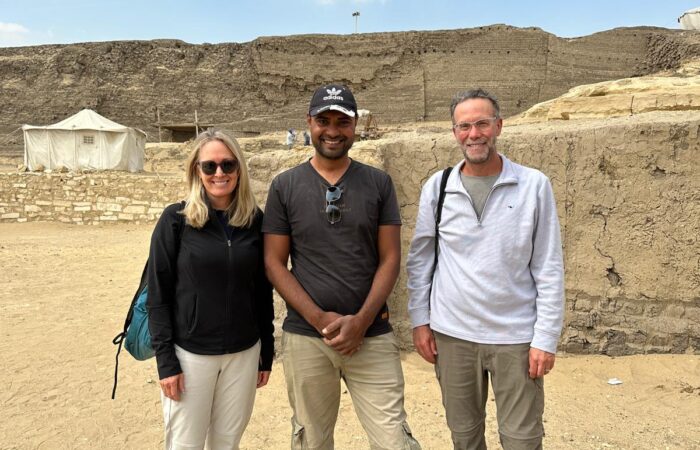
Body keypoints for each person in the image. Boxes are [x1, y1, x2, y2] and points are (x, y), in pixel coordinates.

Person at [263, 84, 420, 450]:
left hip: (372, 335)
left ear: (354, 126)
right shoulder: (285, 186)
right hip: (306, 337)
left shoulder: (378, 183)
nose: (332, 130)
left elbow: (390, 258)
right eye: (323, 120)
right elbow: (274, 262)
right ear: (309, 123)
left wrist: (362, 321)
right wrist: (320, 319)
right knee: (312, 440)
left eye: (341, 121)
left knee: (394, 440)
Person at [406, 88, 564, 450]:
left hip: (516, 338)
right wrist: (420, 321)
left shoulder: (533, 186)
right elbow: (421, 260)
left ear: (499, 126)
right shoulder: (438, 187)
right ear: (454, 133)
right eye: (464, 126)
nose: (473, 134)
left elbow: (548, 266)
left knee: (522, 440)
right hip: (453, 337)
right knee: (465, 438)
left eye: (482, 124)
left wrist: (545, 338)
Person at [147, 128, 274, 450]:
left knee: (227, 442)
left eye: (228, 165)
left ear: (239, 169)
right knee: (185, 444)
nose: (220, 173)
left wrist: (266, 353)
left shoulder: (254, 221)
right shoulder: (175, 221)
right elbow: (158, 296)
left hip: (243, 355)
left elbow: (261, 291)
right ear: (196, 171)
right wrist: (166, 362)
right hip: (191, 355)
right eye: (210, 166)